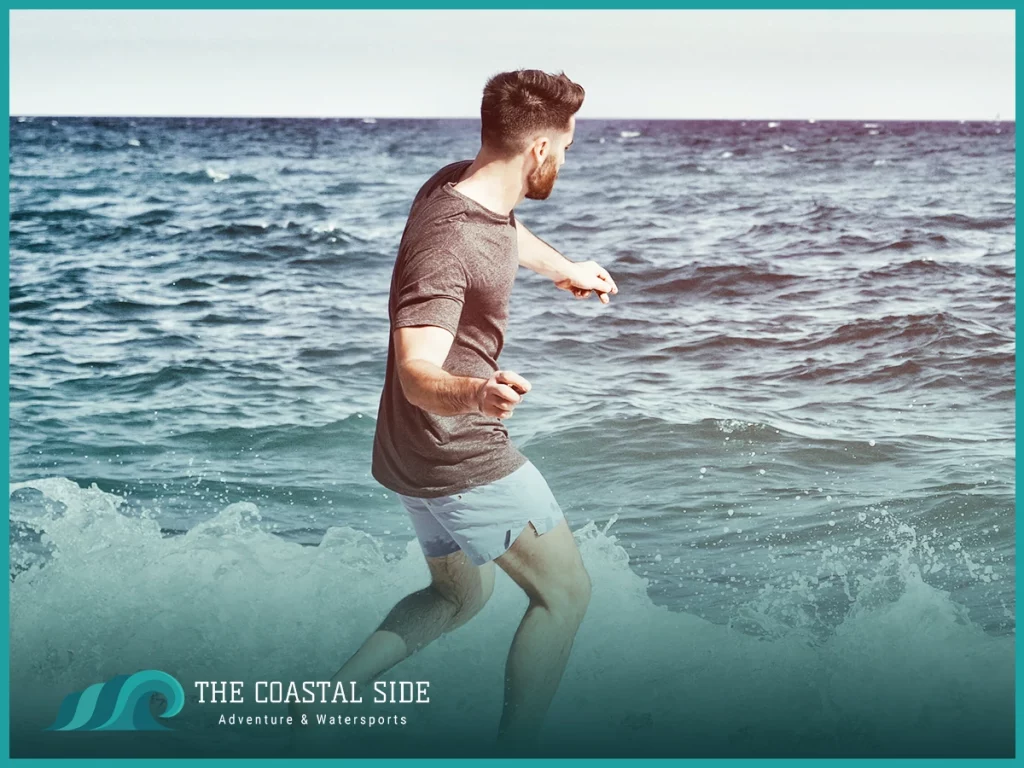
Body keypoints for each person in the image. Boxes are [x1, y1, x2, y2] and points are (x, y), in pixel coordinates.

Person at [290, 69, 618, 755]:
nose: (566, 157)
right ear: (536, 151)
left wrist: (565, 268)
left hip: (409, 452)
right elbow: (417, 373)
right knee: (566, 595)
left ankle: (319, 710)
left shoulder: (453, 184)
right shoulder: (448, 244)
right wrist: (478, 394)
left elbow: (504, 234)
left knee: (456, 598)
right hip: (457, 445)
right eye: (564, 145)